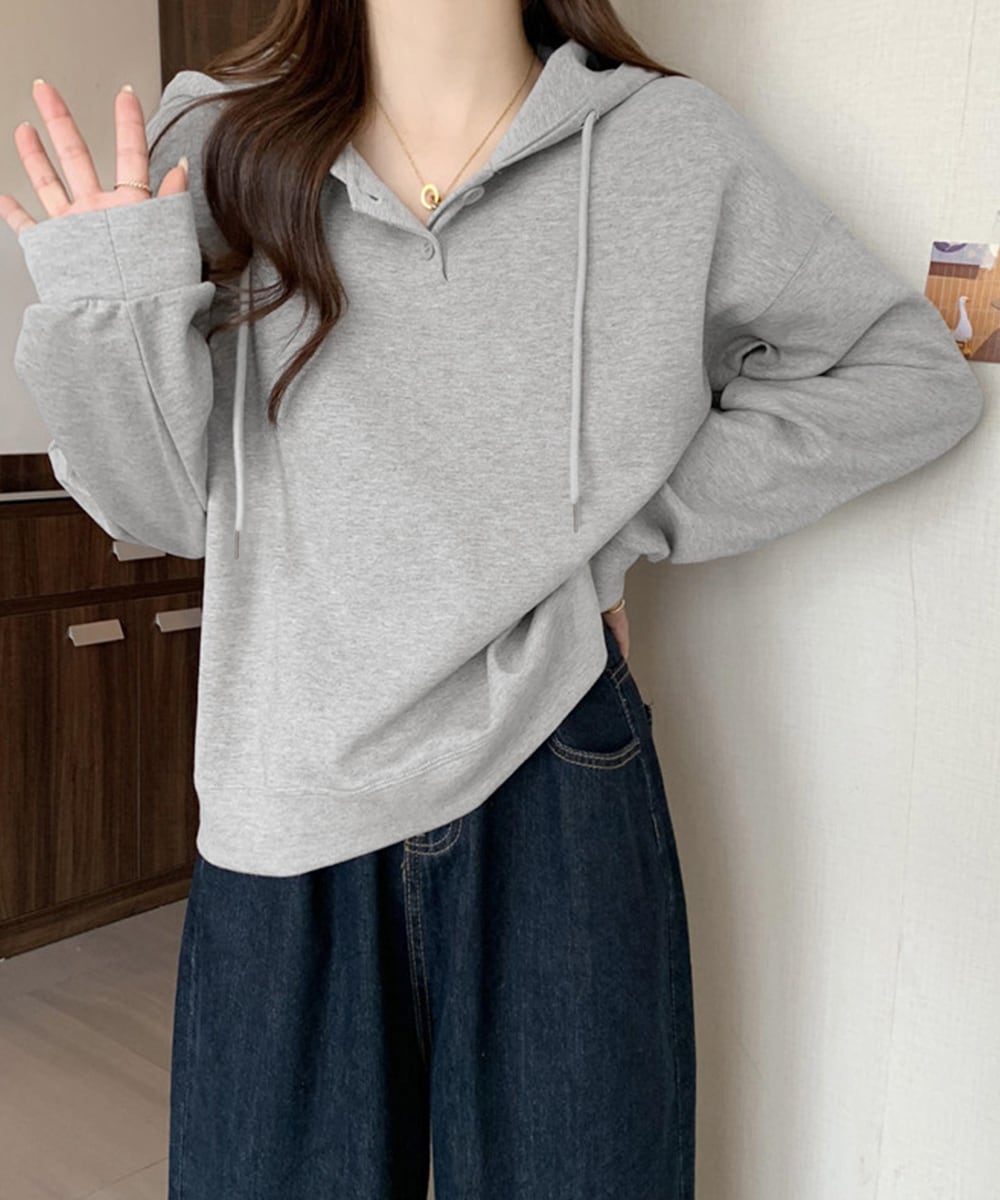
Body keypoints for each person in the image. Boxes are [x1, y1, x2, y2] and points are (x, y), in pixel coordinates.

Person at [2, 0, 984, 1195]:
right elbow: (159, 511)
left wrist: (624, 520)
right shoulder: (216, 138)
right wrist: (109, 300)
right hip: (289, 776)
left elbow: (905, 378)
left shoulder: (665, 144)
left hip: (556, 750)